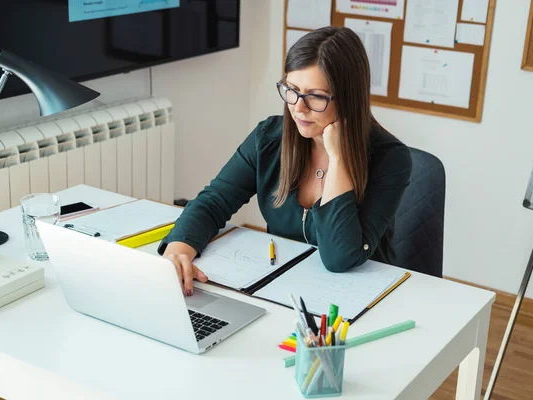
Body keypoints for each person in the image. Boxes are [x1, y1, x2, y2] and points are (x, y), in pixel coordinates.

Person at [158, 26, 413, 296]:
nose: (298, 108)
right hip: (281, 290)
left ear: (349, 99)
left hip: (356, 300)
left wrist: (338, 158)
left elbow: (341, 258)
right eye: (291, 90)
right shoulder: (269, 139)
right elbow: (214, 202)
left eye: (315, 96)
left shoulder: (390, 159)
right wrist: (178, 251)